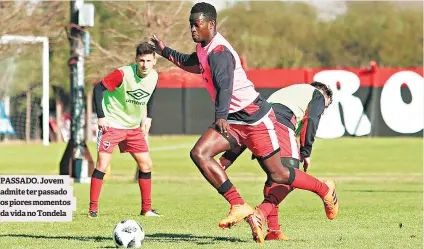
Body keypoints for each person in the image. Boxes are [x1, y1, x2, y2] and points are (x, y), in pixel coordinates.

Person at [151, 2, 338, 232]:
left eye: (196, 24)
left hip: (254, 119)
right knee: (199, 153)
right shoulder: (204, 47)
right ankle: (238, 204)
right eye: (190, 24)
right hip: (233, 120)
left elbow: (225, 87)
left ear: (211, 24)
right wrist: (165, 51)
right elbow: (193, 63)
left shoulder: (220, 53)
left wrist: (220, 115)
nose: (192, 29)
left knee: (278, 174)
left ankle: (323, 189)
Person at [218, 82, 334, 242]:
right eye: (325, 106)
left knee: (276, 176)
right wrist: (306, 151)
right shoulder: (317, 94)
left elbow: (250, 129)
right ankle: (323, 190)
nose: (322, 109)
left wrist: (226, 160)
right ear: (323, 94)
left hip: (261, 125)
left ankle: (273, 230)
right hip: (280, 123)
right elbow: (312, 119)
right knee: (290, 176)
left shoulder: (288, 93)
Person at [88, 42, 159, 218]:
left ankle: (146, 209)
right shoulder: (123, 73)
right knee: (102, 166)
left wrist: (146, 117)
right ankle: (93, 209)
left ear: (154, 61)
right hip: (111, 124)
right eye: (141, 60)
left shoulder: (154, 77)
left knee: (146, 165)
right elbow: (98, 89)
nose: (144, 64)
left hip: (133, 128)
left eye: (148, 60)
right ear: (136, 59)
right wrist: (101, 116)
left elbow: (148, 96)